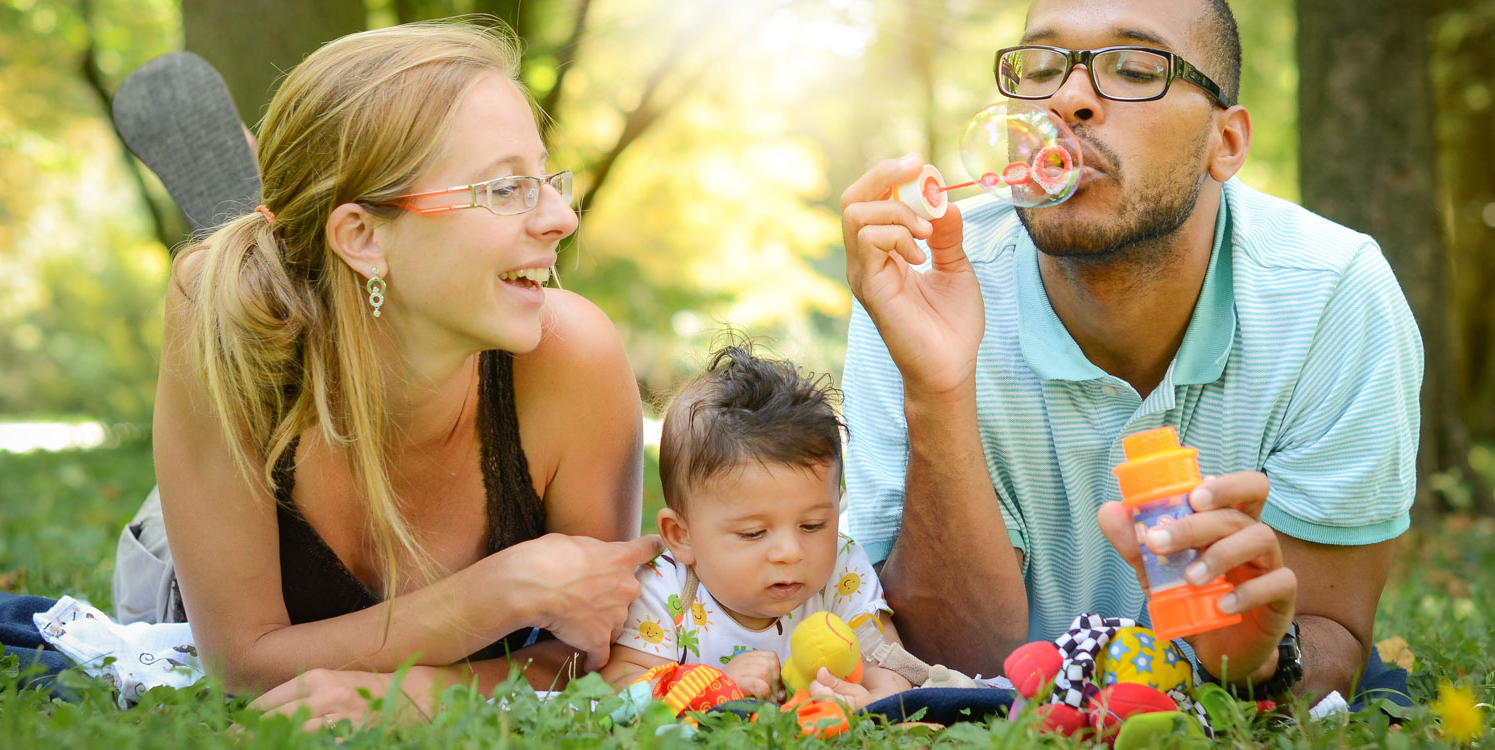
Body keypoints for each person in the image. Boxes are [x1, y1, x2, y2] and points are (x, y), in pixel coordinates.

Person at [838, 0, 1422, 704]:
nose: (1067, 99)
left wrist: (1263, 660)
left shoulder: (1332, 296)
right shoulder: (919, 288)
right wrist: (937, 386)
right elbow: (958, 665)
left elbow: (1337, 635)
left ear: (1226, 142)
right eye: (1042, 67)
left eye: (1136, 68)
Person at [136, 20, 663, 726]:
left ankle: (301, 245)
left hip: (336, 291)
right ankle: (279, 269)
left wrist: (420, 694)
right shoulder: (210, 315)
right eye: (505, 188)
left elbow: (594, 650)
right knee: (224, 303)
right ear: (363, 236)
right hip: (185, 551)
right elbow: (241, 662)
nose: (563, 218)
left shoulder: (572, 359)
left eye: (546, 178)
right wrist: (499, 593)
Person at [600, 345, 913, 708]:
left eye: (812, 525)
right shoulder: (664, 591)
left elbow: (891, 672)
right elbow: (618, 693)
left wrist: (865, 701)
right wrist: (715, 685)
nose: (790, 552)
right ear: (681, 536)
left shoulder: (842, 574)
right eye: (754, 533)